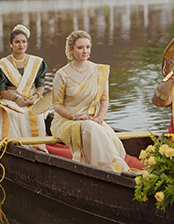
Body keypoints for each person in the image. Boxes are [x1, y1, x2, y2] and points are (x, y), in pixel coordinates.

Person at [51, 30, 129, 173]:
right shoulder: (62, 74)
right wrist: (75, 116)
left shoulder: (100, 71)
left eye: (87, 47)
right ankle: (108, 170)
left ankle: (116, 168)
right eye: (80, 48)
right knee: (90, 127)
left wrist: (99, 118)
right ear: (71, 50)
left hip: (92, 119)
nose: (85, 51)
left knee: (110, 137)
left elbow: (104, 100)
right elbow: (57, 105)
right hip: (66, 122)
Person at [0, 25, 47, 140]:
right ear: (11, 44)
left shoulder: (37, 62)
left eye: (24, 41)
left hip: (31, 96)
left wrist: (35, 96)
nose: (21, 45)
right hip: (11, 97)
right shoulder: (2, 65)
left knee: (37, 113)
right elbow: (2, 90)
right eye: (17, 42)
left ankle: (38, 145)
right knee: (14, 113)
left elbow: (40, 86)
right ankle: (17, 143)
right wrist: (16, 99)